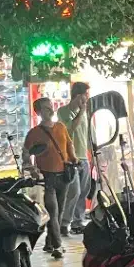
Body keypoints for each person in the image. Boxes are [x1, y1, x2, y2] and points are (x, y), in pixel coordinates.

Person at [24, 97, 77, 259]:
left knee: (59, 212)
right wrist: (32, 169)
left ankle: (49, 241)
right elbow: (26, 153)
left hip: (64, 175)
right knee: (53, 211)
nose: (50, 109)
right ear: (38, 112)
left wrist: (73, 158)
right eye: (46, 108)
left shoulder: (61, 127)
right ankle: (58, 246)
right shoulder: (34, 133)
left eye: (51, 106)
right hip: (47, 177)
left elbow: (69, 144)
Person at [57, 82, 92, 235]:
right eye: (85, 95)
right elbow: (70, 129)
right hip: (71, 157)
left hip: (84, 157)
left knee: (84, 191)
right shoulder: (63, 112)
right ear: (78, 96)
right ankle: (65, 222)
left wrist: (94, 153)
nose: (87, 98)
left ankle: (78, 221)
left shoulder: (85, 114)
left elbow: (89, 134)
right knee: (74, 191)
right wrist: (82, 111)